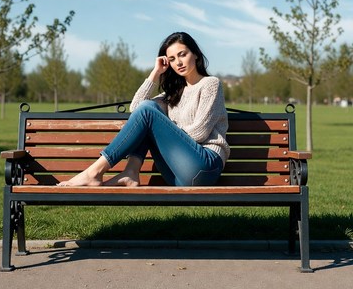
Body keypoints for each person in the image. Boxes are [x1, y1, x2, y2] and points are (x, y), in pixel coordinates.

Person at [58, 32, 230, 187]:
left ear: (196, 54)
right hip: (179, 175)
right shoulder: (175, 94)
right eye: (171, 59)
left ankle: (94, 172)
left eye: (182, 54)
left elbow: (199, 133)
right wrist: (155, 72)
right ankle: (131, 172)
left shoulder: (210, 84)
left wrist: (166, 128)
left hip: (205, 166)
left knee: (149, 112)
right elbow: (137, 108)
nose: (178, 62)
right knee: (147, 111)